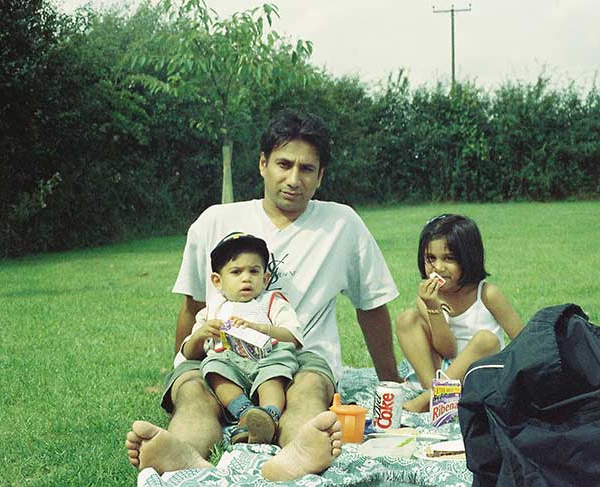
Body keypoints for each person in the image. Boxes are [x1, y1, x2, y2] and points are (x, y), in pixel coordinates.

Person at [126, 108, 401, 481]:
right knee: (194, 393)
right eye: (283, 164)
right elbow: (193, 307)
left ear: (320, 176)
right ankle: (182, 454)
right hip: (221, 358)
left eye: (307, 169)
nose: (293, 179)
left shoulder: (342, 225)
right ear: (262, 164)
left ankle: (297, 453)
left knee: (307, 392)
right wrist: (182, 369)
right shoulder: (214, 221)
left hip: (298, 360)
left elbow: (371, 308)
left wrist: (390, 383)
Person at [179, 231, 304, 445]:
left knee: (273, 375)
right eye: (236, 272)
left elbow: (292, 337)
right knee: (213, 367)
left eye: (254, 271)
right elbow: (189, 353)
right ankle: (245, 413)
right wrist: (202, 334)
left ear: (265, 279)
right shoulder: (212, 312)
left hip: (266, 358)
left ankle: (268, 414)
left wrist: (260, 328)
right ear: (217, 281)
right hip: (230, 362)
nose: (246, 278)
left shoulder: (272, 302)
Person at [395, 214, 524, 412]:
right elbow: (447, 350)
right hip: (442, 374)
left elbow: (524, 342)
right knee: (407, 319)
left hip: (478, 374)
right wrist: (433, 307)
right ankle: (436, 396)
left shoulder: (488, 294)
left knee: (486, 340)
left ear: (468, 258)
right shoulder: (428, 297)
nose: (438, 268)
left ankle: (427, 401)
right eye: (431, 258)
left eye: (449, 258)